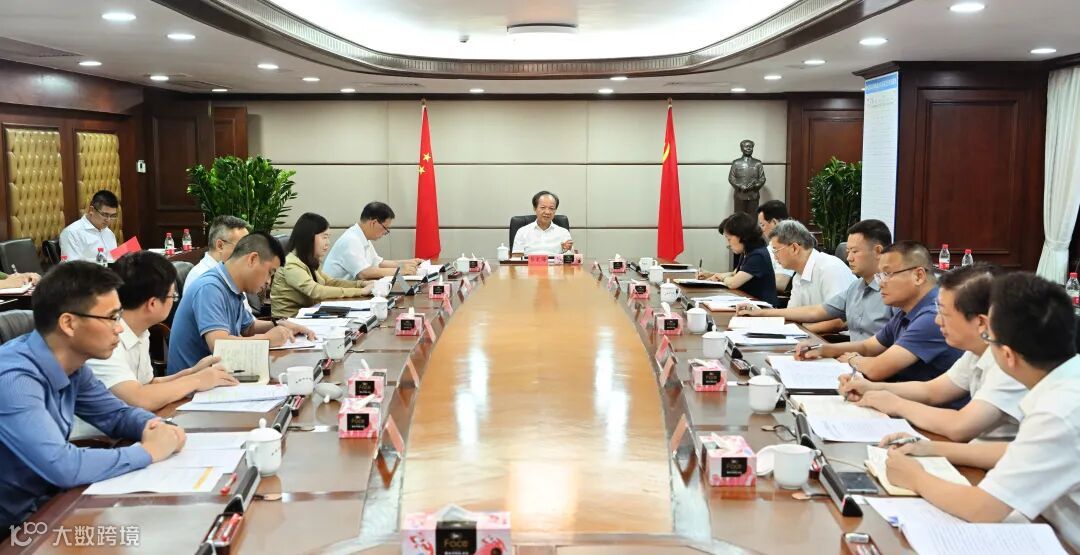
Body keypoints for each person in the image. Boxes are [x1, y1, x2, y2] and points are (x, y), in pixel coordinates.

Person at [880, 273, 1079, 552]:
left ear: (1008, 356)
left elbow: (982, 509)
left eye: (989, 338)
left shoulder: (1058, 411)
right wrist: (929, 448)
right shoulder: (1066, 382)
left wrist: (915, 477)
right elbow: (1020, 451)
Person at [0, 262, 186, 532]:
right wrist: (147, 451)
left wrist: (155, 426)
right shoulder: (13, 380)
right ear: (69, 323)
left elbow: (116, 415)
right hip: (13, 528)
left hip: (48, 508)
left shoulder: (73, 367)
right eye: (111, 318)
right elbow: (62, 466)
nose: (119, 328)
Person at [839, 263, 1026, 441]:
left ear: (981, 322)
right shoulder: (978, 350)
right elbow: (932, 390)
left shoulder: (1009, 362)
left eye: (944, 314)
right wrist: (869, 388)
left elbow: (960, 426)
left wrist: (896, 404)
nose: (937, 321)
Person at [87, 251, 239, 410]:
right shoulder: (106, 339)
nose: (173, 301)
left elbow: (148, 385)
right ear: (152, 304)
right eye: (173, 296)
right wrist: (198, 380)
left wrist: (193, 373)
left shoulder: (140, 330)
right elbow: (139, 398)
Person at [796, 241, 962, 384]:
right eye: (879, 275)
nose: (880, 283)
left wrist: (853, 359)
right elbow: (868, 346)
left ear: (918, 276)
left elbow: (877, 370)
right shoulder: (906, 310)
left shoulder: (933, 316)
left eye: (887, 274)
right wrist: (823, 349)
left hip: (929, 407)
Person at [167, 232, 315, 374]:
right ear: (253, 259)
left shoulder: (232, 286)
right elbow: (219, 345)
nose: (268, 282)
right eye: (270, 272)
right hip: (193, 385)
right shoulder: (210, 288)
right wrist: (268, 339)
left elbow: (247, 327)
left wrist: (279, 325)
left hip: (219, 375)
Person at [737, 219, 893, 340]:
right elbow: (814, 312)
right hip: (844, 353)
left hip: (835, 342)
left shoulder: (830, 268)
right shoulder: (856, 287)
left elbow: (839, 322)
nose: (849, 258)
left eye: (855, 251)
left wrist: (800, 332)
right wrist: (761, 313)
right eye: (848, 251)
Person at [271, 213, 373, 319]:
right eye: (324, 237)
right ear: (309, 238)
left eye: (328, 237)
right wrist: (361, 291)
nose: (328, 243)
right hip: (289, 321)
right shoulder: (291, 264)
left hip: (309, 316)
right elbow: (316, 291)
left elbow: (329, 282)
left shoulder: (307, 259)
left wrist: (361, 284)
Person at [695, 212, 778, 306]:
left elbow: (733, 283)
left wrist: (722, 277)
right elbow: (735, 274)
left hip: (763, 308)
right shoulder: (747, 251)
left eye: (729, 239)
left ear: (742, 236)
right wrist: (711, 274)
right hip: (749, 304)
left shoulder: (758, 255)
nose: (728, 243)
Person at [768, 219, 855, 308]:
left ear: (794, 248)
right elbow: (792, 312)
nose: (775, 257)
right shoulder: (798, 276)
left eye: (776, 250)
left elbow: (838, 315)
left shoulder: (830, 269)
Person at [323, 202, 420, 280]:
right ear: (373, 223)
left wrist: (409, 262)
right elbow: (364, 273)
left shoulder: (362, 237)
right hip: (336, 294)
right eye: (385, 228)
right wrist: (399, 271)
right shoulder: (351, 239)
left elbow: (378, 263)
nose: (385, 233)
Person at [184, 215, 250, 294]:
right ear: (220, 246)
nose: (247, 253)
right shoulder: (205, 281)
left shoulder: (230, 272)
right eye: (242, 247)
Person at [59, 189, 119, 262]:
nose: (108, 220)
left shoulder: (109, 233)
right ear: (91, 210)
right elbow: (72, 266)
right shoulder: (72, 233)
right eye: (105, 214)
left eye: (112, 216)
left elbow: (115, 260)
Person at [511, 190, 574, 256]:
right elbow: (516, 258)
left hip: (555, 263)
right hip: (529, 263)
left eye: (551, 208)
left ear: (555, 210)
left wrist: (567, 250)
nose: (547, 212)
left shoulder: (563, 233)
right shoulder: (522, 232)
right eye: (543, 207)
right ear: (535, 209)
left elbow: (571, 258)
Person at [756, 200, 795, 291]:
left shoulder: (788, 244)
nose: (762, 230)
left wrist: (748, 281)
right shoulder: (772, 244)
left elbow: (781, 283)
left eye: (762, 225)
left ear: (774, 222)